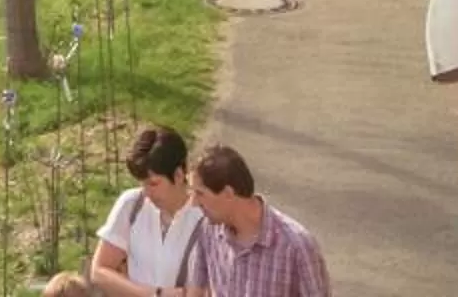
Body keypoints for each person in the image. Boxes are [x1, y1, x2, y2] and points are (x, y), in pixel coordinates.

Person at [190, 146, 328, 297]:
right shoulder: (208, 231)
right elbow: (196, 290)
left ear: (228, 193)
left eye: (200, 193)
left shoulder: (296, 246)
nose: (193, 202)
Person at [89, 125, 208, 297]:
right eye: (142, 183)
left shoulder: (205, 219)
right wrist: (156, 294)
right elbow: (100, 271)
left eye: (153, 183)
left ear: (179, 175)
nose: (146, 192)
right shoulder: (132, 204)